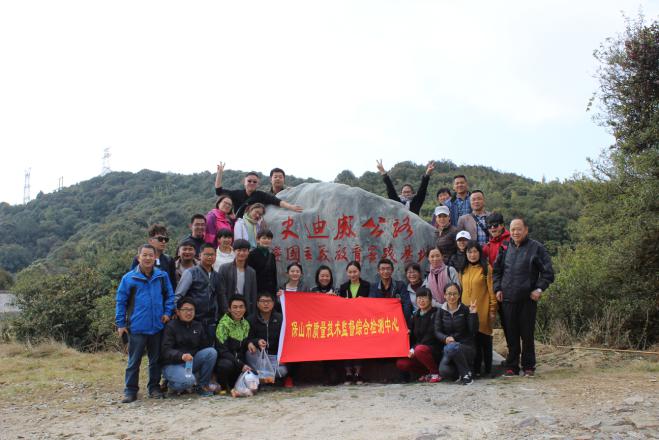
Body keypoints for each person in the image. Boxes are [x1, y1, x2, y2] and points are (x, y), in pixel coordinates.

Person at [493, 218, 554, 377]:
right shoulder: (505, 247)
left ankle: (528, 366)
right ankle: (512, 365)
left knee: (527, 335)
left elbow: (548, 273)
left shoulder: (536, 248)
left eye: (519, 229)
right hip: (507, 299)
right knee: (511, 335)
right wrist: (497, 288)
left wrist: (539, 289)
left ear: (526, 230)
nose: (515, 232)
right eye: (513, 229)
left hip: (527, 299)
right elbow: (497, 271)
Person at [116, 244, 175, 403]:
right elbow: (121, 302)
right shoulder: (129, 278)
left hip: (157, 326)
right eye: (145, 255)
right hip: (137, 327)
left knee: (155, 360)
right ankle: (130, 391)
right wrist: (121, 324)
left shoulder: (162, 276)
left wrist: (167, 313)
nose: (148, 258)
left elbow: (170, 296)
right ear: (138, 257)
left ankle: (154, 388)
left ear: (155, 258)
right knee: (134, 361)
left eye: (151, 255)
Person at [160, 297, 218, 397]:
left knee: (211, 352)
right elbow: (166, 350)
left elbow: (204, 347)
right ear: (178, 312)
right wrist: (181, 356)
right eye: (185, 310)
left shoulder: (198, 326)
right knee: (189, 380)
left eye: (191, 310)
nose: (189, 313)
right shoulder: (171, 326)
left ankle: (201, 386)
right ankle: (171, 385)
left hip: (189, 364)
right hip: (172, 365)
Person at [175, 243, 225, 345]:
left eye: (212, 254)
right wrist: (177, 312)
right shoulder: (190, 272)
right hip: (194, 319)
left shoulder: (217, 276)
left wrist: (225, 313)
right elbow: (179, 295)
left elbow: (221, 296)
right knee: (193, 347)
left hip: (211, 320)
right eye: (206, 254)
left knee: (210, 347)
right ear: (199, 256)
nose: (209, 257)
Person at [460, 241, 497, 377]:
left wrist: (492, 309)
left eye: (475, 251)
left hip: (483, 310)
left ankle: (488, 370)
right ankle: (475, 370)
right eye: (469, 252)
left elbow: (492, 291)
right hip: (467, 312)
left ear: (480, 253)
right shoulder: (462, 269)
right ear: (466, 254)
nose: (472, 255)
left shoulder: (486, 268)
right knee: (472, 340)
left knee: (484, 340)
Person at [215, 163, 302, 218]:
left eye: (254, 182)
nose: (252, 183)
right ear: (244, 182)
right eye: (249, 181)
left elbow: (277, 201)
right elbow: (219, 191)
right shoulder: (236, 194)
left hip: (254, 228)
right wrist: (219, 174)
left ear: (258, 184)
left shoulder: (261, 195)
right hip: (239, 226)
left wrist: (291, 207)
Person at [434, 283, 478, 385]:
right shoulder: (440, 311)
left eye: (455, 294)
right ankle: (464, 372)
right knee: (443, 370)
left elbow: (473, 331)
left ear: (459, 295)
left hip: (466, 347)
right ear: (444, 295)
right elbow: (437, 331)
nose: (452, 297)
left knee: (453, 347)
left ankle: (466, 376)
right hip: (449, 347)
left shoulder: (465, 309)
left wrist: (473, 314)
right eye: (449, 294)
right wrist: (445, 338)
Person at [395, 288, 441, 383]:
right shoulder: (415, 316)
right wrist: (408, 334)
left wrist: (414, 348)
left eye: (424, 298)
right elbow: (413, 337)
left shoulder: (436, 313)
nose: (421, 300)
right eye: (419, 298)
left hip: (433, 349)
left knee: (419, 349)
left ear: (430, 299)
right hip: (418, 350)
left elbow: (430, 335)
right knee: (401, 363)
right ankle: (425, 373)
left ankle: (435, 373)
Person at [246, 292, 291, 386]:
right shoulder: (250, 320)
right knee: (249, 353)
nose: (266, 304)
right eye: (262, 301)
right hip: (259, 356)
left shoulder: (281, 318)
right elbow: (247, 338)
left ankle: (262, 377)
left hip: (275, 357)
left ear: (273, 303)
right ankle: (269, 378)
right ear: (257, 303)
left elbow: (286, 338)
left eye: (268, 301)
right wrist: (255, 342)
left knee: (282, 371)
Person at [337, 261, 370, 384]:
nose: (353, 274)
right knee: (347, 347)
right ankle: (348, 373)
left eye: (355, 271)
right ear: (347, 273)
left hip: (361, 321)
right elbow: (339, 305)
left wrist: (364, 301)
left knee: (359, 347)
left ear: (359, 272)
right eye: (350, 272)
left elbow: (372, 302)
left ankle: (358, 373)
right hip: (347, 321)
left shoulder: (367, 285)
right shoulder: (343, 287)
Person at [215, 295, 252, 392]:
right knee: (225, 365)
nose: (238, 310)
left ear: (245, 309)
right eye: (235, 307)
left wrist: (250, 343)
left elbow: (246, 342)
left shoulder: (246, 324)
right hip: (227, 360)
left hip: (240, 361)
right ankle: (223, 385)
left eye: (241, 307)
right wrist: (240, 364)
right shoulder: (223, 325)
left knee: (254, 382)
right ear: (229, 309)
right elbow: (223, 351)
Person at [218, 239, 258, 316]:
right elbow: (221, 291)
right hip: (228, 308)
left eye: (244, 250)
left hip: (244, 309)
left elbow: (253, 293)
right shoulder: (224, 268)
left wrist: (252, 312)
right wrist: (226, 309)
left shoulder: (251, 272)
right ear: (234, 251)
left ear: (248, 252)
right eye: (239, 250)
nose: (242, 253)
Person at [131, 224, 177, 290]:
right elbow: (132, 280)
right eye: (160, 239)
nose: (163, 241)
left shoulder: (169, 260)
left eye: (166, 239)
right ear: (150, 240)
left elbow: (173, 284)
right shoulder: (139, 259)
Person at [369, 258, 413, 327]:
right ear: (378, 271)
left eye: (388, 269)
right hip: (380, 323)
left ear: (392, 270)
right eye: (383, 269)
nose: (385, 271)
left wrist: (403, 322)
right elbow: (371, 305)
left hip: (397, 322)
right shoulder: (373, 287)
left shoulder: (400, 285)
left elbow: (407, 305)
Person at [247, 229, 278, 297]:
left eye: (269, 238)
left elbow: (274, 275)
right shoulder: (251, 255)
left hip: (270, 291)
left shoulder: (272, 256)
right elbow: (249, 275)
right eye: (264, 238)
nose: (266, 240)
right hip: (257, 290)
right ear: (258, 240)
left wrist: (275, 290)